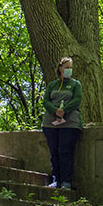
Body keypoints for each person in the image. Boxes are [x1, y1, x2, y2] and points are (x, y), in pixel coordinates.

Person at [41, 57, 83, 189]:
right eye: (66, 67)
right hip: (50, 123)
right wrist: (55, 111)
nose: (69, 70)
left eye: (71, 68)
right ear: (60, 68)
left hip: (70, 123)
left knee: (65, 150)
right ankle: (56, 180)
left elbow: (77, 99)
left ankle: (66, 181)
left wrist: (64, 110)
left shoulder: (76, 84)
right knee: (54, 152)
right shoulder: (52, 85)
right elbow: (46, 101)